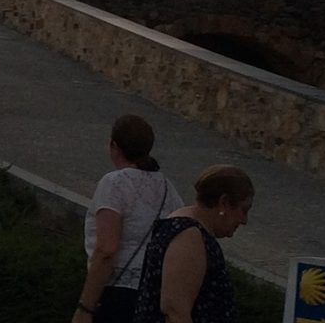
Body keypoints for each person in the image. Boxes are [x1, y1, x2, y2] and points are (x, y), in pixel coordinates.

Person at [73, 116, 183, 323]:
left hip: (118, 294)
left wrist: (85, 308)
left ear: (114, 146)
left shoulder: (114, 184)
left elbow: (106, 250)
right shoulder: (169, 189)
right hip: (154, 296)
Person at [131, 164, 254, 323]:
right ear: (223, 202)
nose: (244, 220)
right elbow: (174, 310)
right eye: (243, 210)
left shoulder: (189, 230)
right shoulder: (189, 236)